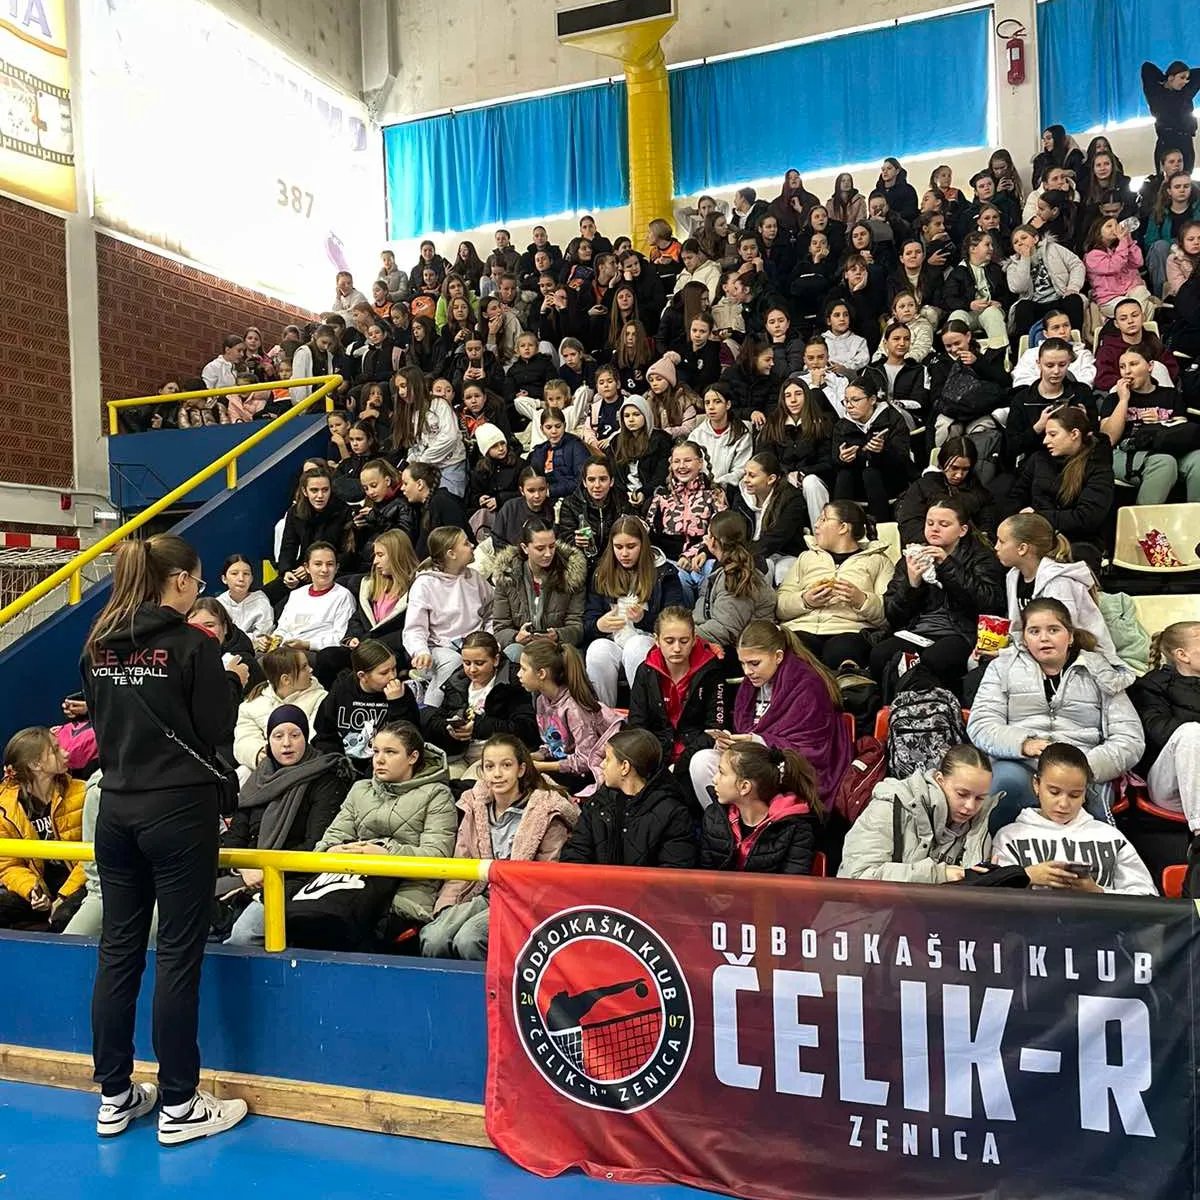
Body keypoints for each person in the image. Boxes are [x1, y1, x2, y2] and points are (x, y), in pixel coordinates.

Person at [81, 535, 249, 1143]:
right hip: (178, 809)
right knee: (177, 952)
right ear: (179, 581)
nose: (198, 591)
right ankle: (179, 1103)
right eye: (198, 583)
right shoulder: (193, 646)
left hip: (116, 807)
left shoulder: (98, 644)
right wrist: (231, 682)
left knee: (118, 949)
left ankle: (114, 1094)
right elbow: (216, 728)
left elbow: (102, 722)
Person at [967, 598, 1143, 831]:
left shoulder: (1101, 672)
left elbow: (1130, 739)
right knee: (1005, 783)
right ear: (1024, 638)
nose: (1044, 638)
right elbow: (981, 724)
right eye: (1034, 631)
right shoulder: (1002, 667)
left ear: (1070, 636)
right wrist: (1024, 744)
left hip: (1086, 767)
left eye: (1053, 630)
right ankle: (998, 853)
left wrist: (1084, 767)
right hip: (1023, 764)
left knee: (1089, 806)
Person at [421, 736, 578, 960]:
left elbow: (547, 878)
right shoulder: (473, 806)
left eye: (506, 765)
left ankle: (489, 983)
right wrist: (447, 906)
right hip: (480, 893)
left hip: (522, 900)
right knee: (433, 937)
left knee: (470, 938)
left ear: (521, 769)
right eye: (489, 766)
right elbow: (460, 865)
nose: (497, 774)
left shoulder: (547, 812)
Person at [312, 721, 456, 946]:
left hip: (403, 897)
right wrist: (335, 850)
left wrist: (385, 853)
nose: (379, 759)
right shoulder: (360, 789)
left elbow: (437, 857)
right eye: (376, 751)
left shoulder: (437, 794)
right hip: (349, 887)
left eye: (390, 752)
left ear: (413, 757)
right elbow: (327, 842)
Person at [223, 706, 353, 946]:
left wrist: (267, 870)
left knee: (243, 935)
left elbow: (315, 844)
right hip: (248, 874)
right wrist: (245, 868)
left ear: (306, 737)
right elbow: (234, 837)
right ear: (268, 741)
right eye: (278, 736)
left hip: (294, 877)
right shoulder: (258, 778)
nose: (286, 744)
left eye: (295, 735)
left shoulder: (325, 779)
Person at [687, 621, 849, 813]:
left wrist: (758, 742)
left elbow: (812, 751)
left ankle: (757, 827)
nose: (747, 671)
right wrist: (731, 745)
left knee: (737, 776)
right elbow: (746, 731)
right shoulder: (751, 683)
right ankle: (726, 826)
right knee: (702, 762)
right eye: (742, 663)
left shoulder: (807, 686)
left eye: (754, 663)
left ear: (778, 656)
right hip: (756, 764)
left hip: (791, 771)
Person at [871, 497, 1006, 696]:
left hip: (961, 632)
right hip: (916, 631)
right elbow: (893, 614)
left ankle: (935, 707)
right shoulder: (912, 557)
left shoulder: (981, 557)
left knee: (936, 660)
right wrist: (912, 584)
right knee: (880, 654)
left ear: (962, 530)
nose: (935, 529)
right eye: (930, 523)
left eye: (944, 524)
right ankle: (895, 708)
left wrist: (947, 565)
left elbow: (989, 603)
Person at [991, 743, 1155, 894]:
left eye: (1074, 795)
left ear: (1085, 793)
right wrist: (1026, 876)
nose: (1063, 804)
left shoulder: (1111, 837)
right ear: (1036, 784)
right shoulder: (1009, 837)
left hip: (1098, 917)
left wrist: (1097, 892)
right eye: (1054, 792)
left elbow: (1147, 896)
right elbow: (997, 898)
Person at [838, 745, 996, 883]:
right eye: (962, 794)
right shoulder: (888, 806)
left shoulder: (980, 821)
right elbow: (859, 877)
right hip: (873, 907)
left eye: (980, 798)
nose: (970, 806)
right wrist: (938, 875)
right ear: (939, 780)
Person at [777, 500, 893, 672]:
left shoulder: (879, 560)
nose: (816, 524)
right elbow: (780, 606)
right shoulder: (806, 557)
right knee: (794, 652)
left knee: (840, 650)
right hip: (802, 627)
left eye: (823, 519)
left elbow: (890, 615)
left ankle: (850, 682)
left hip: (851, 631)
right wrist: (805, 600)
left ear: (843, 527)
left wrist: (862, 600)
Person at [583, 515, 683, 706]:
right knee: (597, 650)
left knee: (635, 646)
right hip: (614, 641)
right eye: (618, 547)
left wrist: (644, 618)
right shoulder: (600, 573)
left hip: (650, 642)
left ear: (643, 545)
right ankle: (605, 714)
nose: (624, 554)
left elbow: (675, 622)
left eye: (631, 546)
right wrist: (599, 625)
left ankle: (645, 712)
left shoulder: (664, 573)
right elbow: (587, 624)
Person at [559, 730, 697, 867]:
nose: (602, 764)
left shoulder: (673, 814)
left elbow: (673, 871)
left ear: (625, 767)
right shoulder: (597, 803)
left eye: (607, 759)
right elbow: (575, 855)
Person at [1007, 407, 1114, 574]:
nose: (1045, 441)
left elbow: (1086, 518)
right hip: (1034, 537)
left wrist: (1038, 517)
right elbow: (1016, 497)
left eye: (1053, 434)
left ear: (1074, 434)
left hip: (1078, 542)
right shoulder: (1038, 460)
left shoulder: (1099, 468)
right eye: (1046, 435)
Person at [0, 727, 86, 929]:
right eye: (55, 750)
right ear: (35, 764)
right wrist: (32, 890)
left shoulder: (83, 793)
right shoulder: (5, 808)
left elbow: (92, 860)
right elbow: (8, 865)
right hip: (40, 889)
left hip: (77, 888)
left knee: (63, 918)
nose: (66, 753)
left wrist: (63, 897)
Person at [993, 513, 1113, 656]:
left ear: (1022, 548)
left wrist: (1005, 654)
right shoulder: (1013, 576)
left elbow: (1061, 639)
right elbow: (1018, 630)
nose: (996, 547)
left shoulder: (1059, 584)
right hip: (1037, 652)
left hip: (1081, 656)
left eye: (1001, 541)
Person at [403, 526, 493, 708]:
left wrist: (490, 637)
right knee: (454, 661)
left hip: (475, 644)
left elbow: (492, 612)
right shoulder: (424, 584)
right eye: (466, 543)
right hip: (439, 648)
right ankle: (430, 712)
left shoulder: (475, 578)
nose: (472, 545)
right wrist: (421, 651)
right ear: (451, 554)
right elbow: (414, 629)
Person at [518, 640, 620, 795]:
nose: (518, 674)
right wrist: (535, 756)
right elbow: (553, 745)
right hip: (561, 765)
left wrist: (542, 767)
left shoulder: (574, 708)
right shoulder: (541, 700)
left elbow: (586, 760)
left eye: (523, 669)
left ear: (541, 674)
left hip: (584, 775)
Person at [1100, 345, 1200, 504]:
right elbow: (1108, 439)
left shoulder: (1170, 395)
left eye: (1134, 364)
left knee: (1198, 459)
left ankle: (1194, 516)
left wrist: (1161, 420)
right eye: (1122, 367)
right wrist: (1123, 400)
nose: (1127, 371)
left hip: (1168, 447)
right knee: (1164, 462)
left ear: (1150, 366)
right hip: (1128, 451)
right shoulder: (1114, 399)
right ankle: (1143, 519)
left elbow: (1182, 430)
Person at [701, 743, 820, 875]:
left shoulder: (796, 828)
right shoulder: (714, 816)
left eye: (722, 773)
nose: (714, 779)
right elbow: (705, 876)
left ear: (744, 787)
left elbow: (793, 882)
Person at [628, 606, 724, 767]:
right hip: (656, 756)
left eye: (684, 641)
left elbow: (716, 728)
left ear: (694, 639)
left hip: (695, 757)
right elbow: (637, 724)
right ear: (657, 640)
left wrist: (681, 765)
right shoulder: (645, 671)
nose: (677, 648)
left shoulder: (711, 671)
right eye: (669, 641)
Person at [420, 631, 539, 759]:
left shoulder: (513, 682)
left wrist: (478, 727)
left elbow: (526, 729)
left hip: (499, 756)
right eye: (467, 663)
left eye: (479, 663)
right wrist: (448, 728)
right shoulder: (457, 681)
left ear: (496, 660)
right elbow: (441, 717)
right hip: (459, 755)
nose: (472, 670)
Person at [311, 639, 420, 778]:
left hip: (383, 767)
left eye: (394, 669)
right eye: (384, 673)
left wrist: (397, 704)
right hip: (342, 764)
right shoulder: (341, 689)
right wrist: (339, 764)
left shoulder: (401, 693)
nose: (392, 676)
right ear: (362, 676)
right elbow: (324, 734)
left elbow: (410, 739)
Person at [1129, 622, 1200, 835]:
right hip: (1171, 784)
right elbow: (1157, 731)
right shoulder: (1151, 685)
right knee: (1191, 733)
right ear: (1182, 655)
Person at [492, 517, 587, 660]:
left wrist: (557, 635)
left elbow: (577, 627)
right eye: (540, 548)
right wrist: (516, 637)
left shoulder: (571, 574)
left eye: (552, 546)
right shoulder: (507, 576)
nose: (548, 553)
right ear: (525, 548)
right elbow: (500, 628)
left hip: (557, 648)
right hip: (523, 648)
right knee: (514, 651)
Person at [1002, 337, 1098, 469]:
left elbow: (1095, 436)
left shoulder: (1081, 393)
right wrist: (1037, 428)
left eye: (1062, 365)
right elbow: (1011, 447)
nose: (1056, 371)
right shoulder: (1023, 399)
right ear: (1038, 363)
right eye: (1050, 365)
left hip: (1076, 462)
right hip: (1036, 464)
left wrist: (1084, 422)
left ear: (1069, 363)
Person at [755, 375, 835, 529]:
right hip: (781, 478)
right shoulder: (773, 425)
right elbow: (765, 459)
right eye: (788, 396)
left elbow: (828, 462)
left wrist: (802, 473)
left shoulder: (822, 423)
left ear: (807, 396)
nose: (793, 400)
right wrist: (785, 475)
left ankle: (820, 532)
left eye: (798, 394)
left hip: (815, 479)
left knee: (810, 482)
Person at [830, 376, 913, 522]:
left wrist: (882, 451)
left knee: (871, 473)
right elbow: (834, 461)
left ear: (872, 400)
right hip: (856, 483)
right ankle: (839, 523)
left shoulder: (893, 419)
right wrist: (842, 458)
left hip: (889, 480)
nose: (849, 406)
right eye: (846, 401)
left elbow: (903, 459)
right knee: (844, 474)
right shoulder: (842, 425)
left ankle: (881, 526)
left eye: (855, 400)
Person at [233, 646, 329, 772]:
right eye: (304, 667)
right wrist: (259, 753)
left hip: (304, 766)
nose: (311, 670)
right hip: (267, 765)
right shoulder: (251, 705)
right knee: (243, 772)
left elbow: (313, 738)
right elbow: (244, 740)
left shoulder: (321, 698)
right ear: (286, 679)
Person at [896, 437, 994, 545]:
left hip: (966, 549)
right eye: (954, 468)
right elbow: (909, 524)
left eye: (965, 469)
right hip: (927, 545)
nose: (959, 475)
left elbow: (987, 526)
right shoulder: (923, 487)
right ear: (943, 463)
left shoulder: (979, 493)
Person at [270, 543, 356, 652]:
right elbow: (283, 628)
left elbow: (340, 637)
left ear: (336, 568)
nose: (324, 569)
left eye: (330, 564)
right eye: (318, 564)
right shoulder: (296, 594)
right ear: (307, 567)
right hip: (286, 649)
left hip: (316, 652)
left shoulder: (343, 596)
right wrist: (273, 639)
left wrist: (307, 644)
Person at [1004, 225, 1085, 338]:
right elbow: (1019, 287)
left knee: (1073, 300)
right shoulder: (1012, 266)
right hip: (1036, 303)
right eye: (1016, 242)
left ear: (1035, 239)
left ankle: (1075, 338)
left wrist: (1073, 287)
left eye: (1024, 238)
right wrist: (1025, 259)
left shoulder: (1053, 248)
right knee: (1022, 307)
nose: (1020, 243)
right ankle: (1026, 344)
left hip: (1059, 297)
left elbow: (1076, 264)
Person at [739, 452, 807, 581]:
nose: (745, 480)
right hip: (751, 552)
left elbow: (777, 537)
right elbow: (733, 531)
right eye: (745, 474)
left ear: (771, 479)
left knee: (777, 569)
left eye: (752, 475)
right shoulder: (741, 496)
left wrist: (745, 556)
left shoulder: (792, 499)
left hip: (785, 553)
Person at [276, 468, 352, 583]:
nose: (320, 495)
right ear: (305, 491)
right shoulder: (295, 512)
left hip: (332, 572)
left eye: (325, 490)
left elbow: (348, 553)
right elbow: (289, 546)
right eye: (314, 490)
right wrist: (286, 571)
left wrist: (311, 569)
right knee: (268, 591)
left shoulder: (343, 511)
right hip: (302, 569)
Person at [942, 232, 1012, 351]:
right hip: (968, 312)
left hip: (991, 310)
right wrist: (969, 304)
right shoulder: (958, 272)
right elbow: (948, 299)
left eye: (992, 245)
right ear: (973, 249)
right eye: (987, 245)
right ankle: (957, 356)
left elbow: (1008, 294)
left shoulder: (996, 269)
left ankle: (1001, 355)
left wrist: (1000, 303)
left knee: (992, 314)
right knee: (956, 316)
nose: (991, 248)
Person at [555, 458, 629, 571]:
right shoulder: (570, 504)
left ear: (611, 481)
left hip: (616, 563)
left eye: (603, 479)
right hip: (585, 565)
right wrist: (576, 542)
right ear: (584, 482)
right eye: (591, 480)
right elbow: (564, 542)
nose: (597, 485)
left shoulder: (622, 501)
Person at [608, 395, 672, 512]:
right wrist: (625, 494)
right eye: (626, 416)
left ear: (646, 415)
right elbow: (613, 474)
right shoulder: (615, 442)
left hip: (651, 493)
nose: (631, 419)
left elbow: (661, 475)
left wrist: (643, 492)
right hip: (623, 495)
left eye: (636, 414)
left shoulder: (661, 440)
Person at [1084, 217, 1153, 317]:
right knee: (1131, 307)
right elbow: (1114, 266)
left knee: (1142, 293)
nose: (1115, 229)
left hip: (1130, 292)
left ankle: (1137, 323)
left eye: (1116, 225)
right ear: (1098, 232)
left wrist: (1129, 242)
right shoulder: (1092, 256)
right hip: (1110, 299)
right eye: (1109, 226)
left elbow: (1138, 262)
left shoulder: (1121, 247)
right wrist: (1123, 242)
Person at [1009, 308, 1095, 388]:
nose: (1062, 331)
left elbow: (1087, 382)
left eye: (1066, 325)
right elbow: (1021, 381)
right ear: (1045, 333)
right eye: (1056, 327)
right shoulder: (1030, 354)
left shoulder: (1083, 354)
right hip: (1036, 397)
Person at [1141, 59, 1200, 174]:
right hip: (1166, 140)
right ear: (1171, 77)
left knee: (1186, 175)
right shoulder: (1155, 93)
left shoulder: (1185, 92)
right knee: (1164, 177)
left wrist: (1182, 75)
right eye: (1182, 77)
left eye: (1187, 78)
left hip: (1185, 140)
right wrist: (1165, 79)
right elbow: (1147, 67)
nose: (1185, 82)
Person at [215, 554, 273, 639]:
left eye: (246, 574)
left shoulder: (261, 601)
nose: (241, 578)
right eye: (234, 573)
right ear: (224, 579)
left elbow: (263, 636)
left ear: (251, 579)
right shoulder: (218, 604)